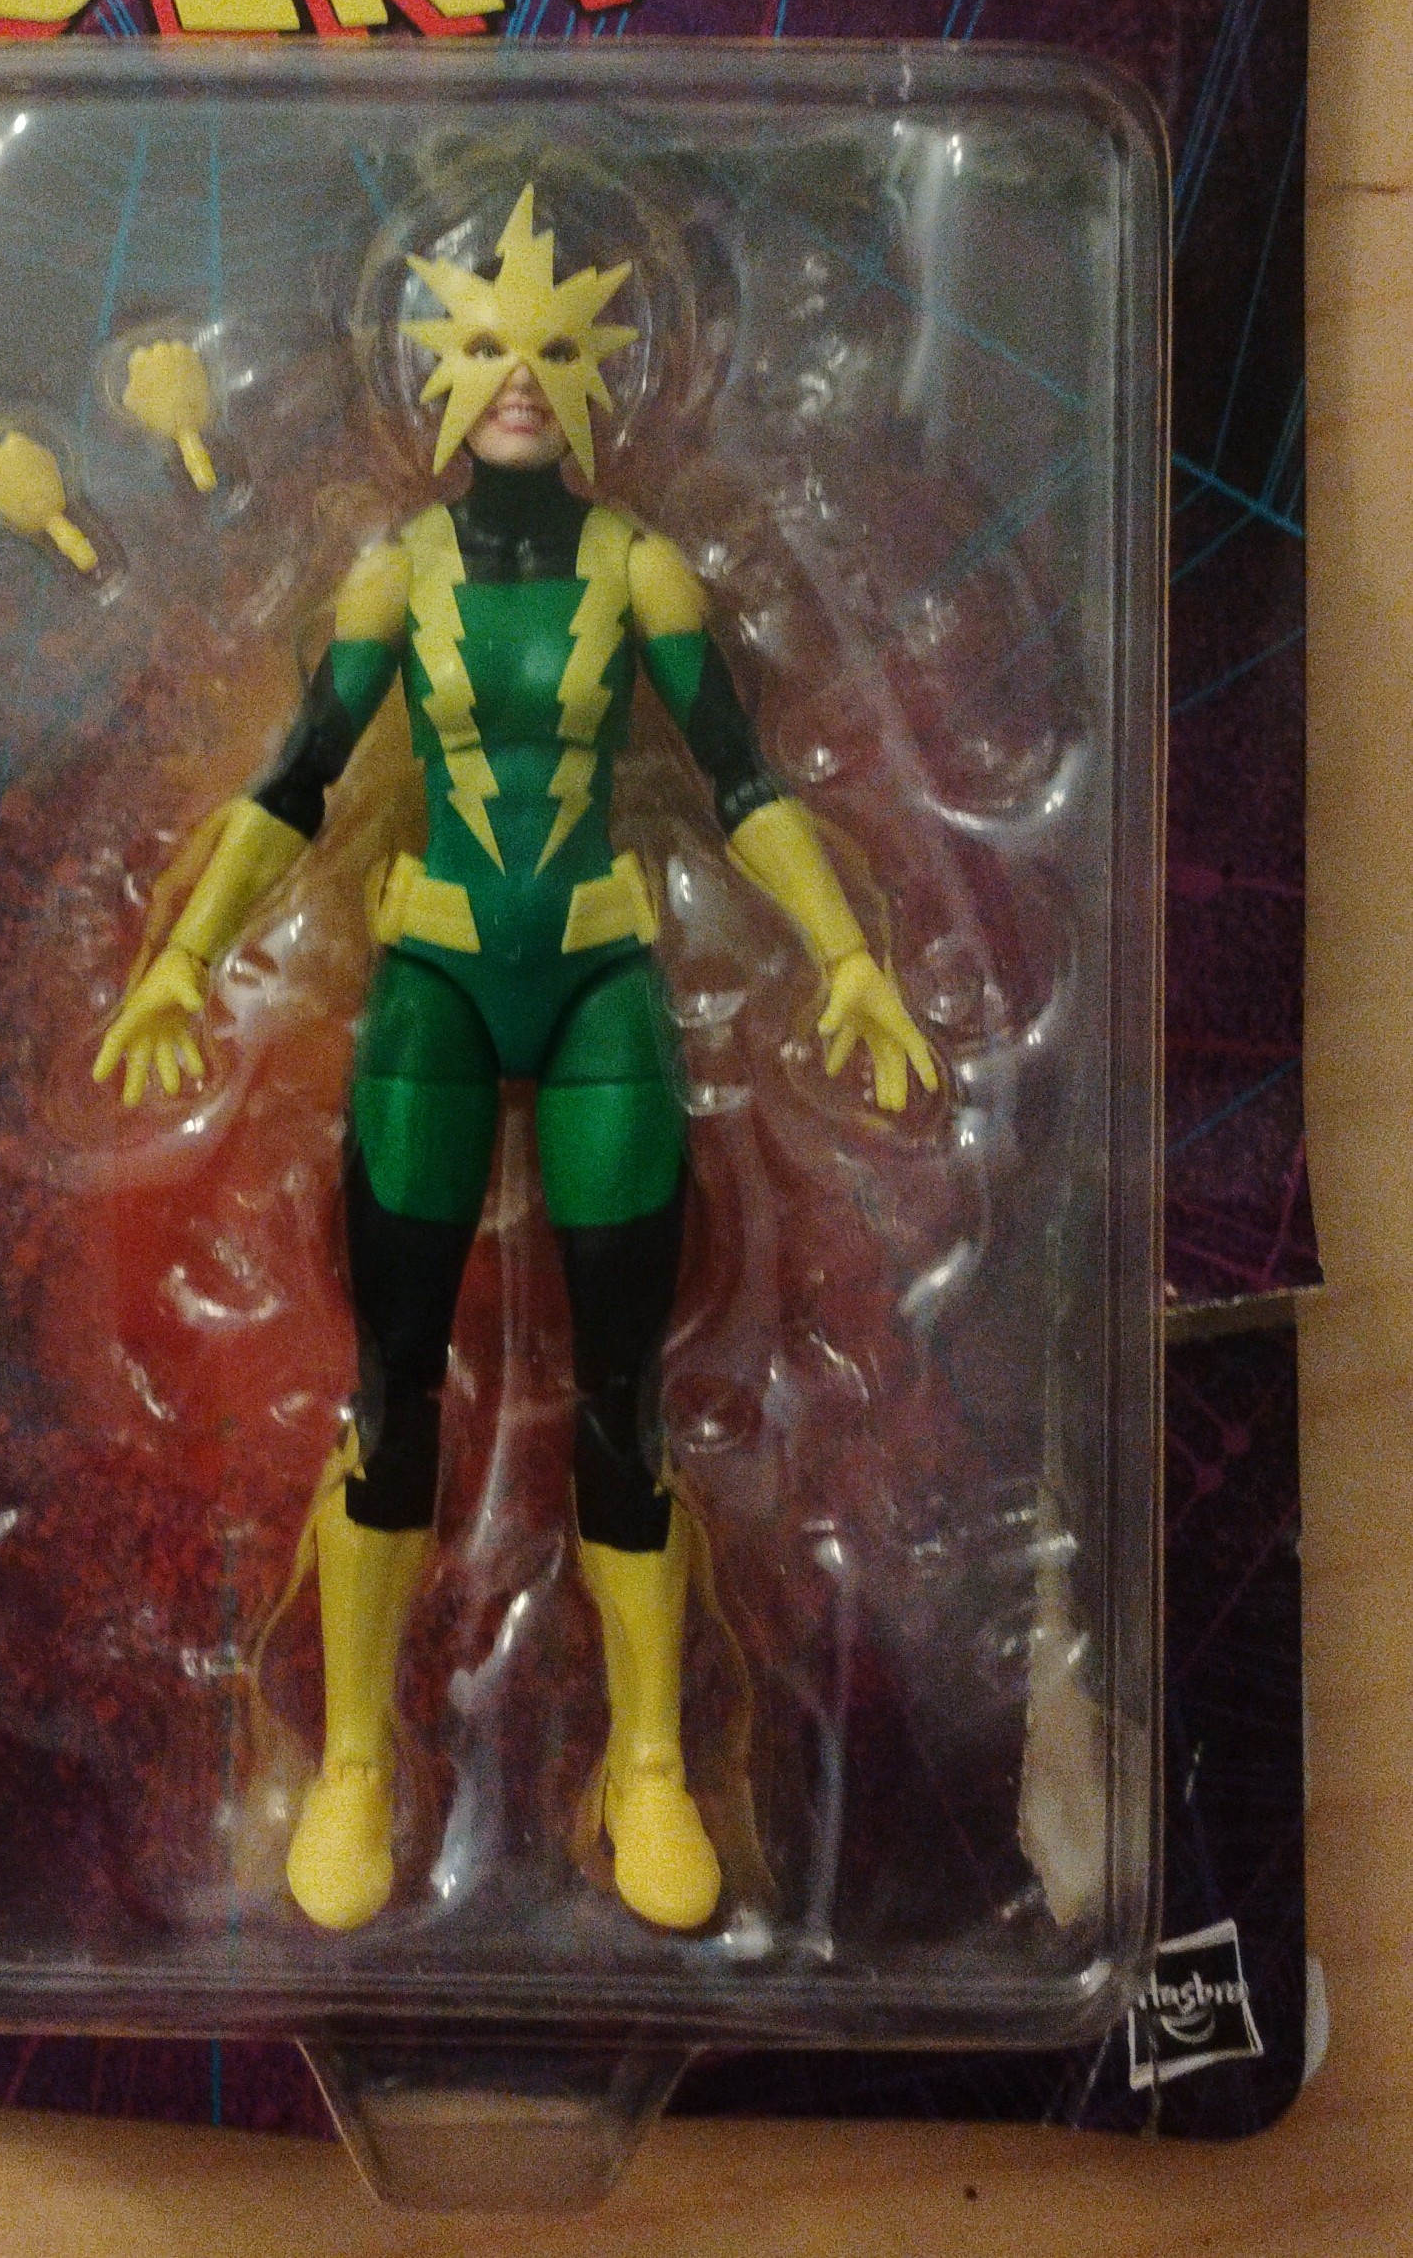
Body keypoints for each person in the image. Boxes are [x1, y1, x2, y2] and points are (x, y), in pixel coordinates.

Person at [94, 183, 936, 1929]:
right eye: (486, 346)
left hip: (601, 982)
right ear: (434, 371)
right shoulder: (390, 571)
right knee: (390, 1385)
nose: (521, 377)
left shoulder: (641, 568)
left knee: (625, 1395)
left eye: (554, 348)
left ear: (607, 369)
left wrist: (848, 954)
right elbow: (297, 779)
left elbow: (743, 779)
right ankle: (353, 1761)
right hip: (432, 982)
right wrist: (180, 952)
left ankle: (649, 1765)